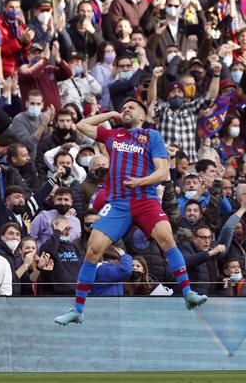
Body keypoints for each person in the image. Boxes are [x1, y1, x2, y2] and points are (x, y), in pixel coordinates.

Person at [55, 99, 206, 326]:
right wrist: (112, 114)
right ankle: (77, 308)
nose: (126, 109)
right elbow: (82, 125)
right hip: (118, 203)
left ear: (143, 116)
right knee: (93, 250)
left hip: (145, 199)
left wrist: (142, 181)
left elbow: (163, 171)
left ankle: (187, 294)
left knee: (167, 239)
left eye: (131, 108)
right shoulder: (113, 135)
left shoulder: (151, 136)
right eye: (124, 107)